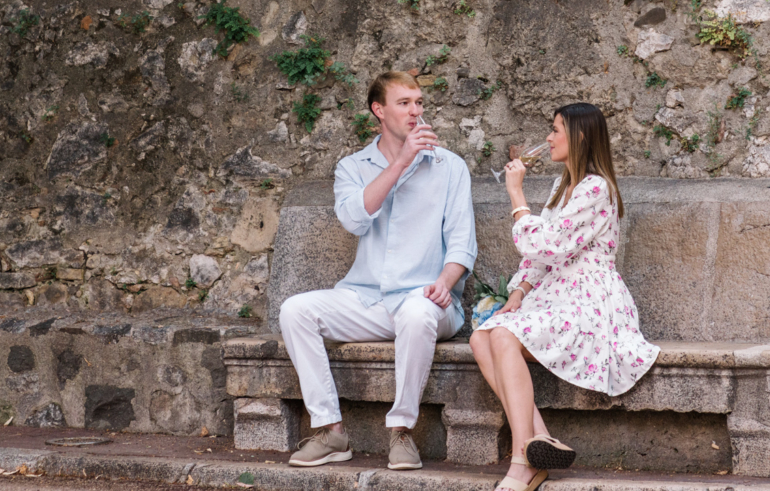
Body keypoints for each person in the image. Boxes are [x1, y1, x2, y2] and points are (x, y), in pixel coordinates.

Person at [279, 71, 477, 471]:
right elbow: (355, 220)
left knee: (418, 312)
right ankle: (332, 431)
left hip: (427, 301)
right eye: (404, 103)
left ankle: (401, 433)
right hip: (366, 298)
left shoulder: (449, 166)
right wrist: (401, 163)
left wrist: (445, 283)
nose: (415, 111)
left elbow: (462, 242)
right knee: (295, 310)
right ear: (379, 110)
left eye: (419, 102)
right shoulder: (353, 167)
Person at [470, 102, 659, 491]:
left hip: (591, 301)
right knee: (480, 336)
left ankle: (522, 462)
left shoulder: (596, 188)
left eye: (556, 130)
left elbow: (551, 244)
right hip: (556, 296)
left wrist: (517, 197)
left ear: (580, 136)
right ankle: (539, 440)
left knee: (503, 336)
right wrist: (520, 291)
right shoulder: (563, 185)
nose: (548, 138)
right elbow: (542, 258)